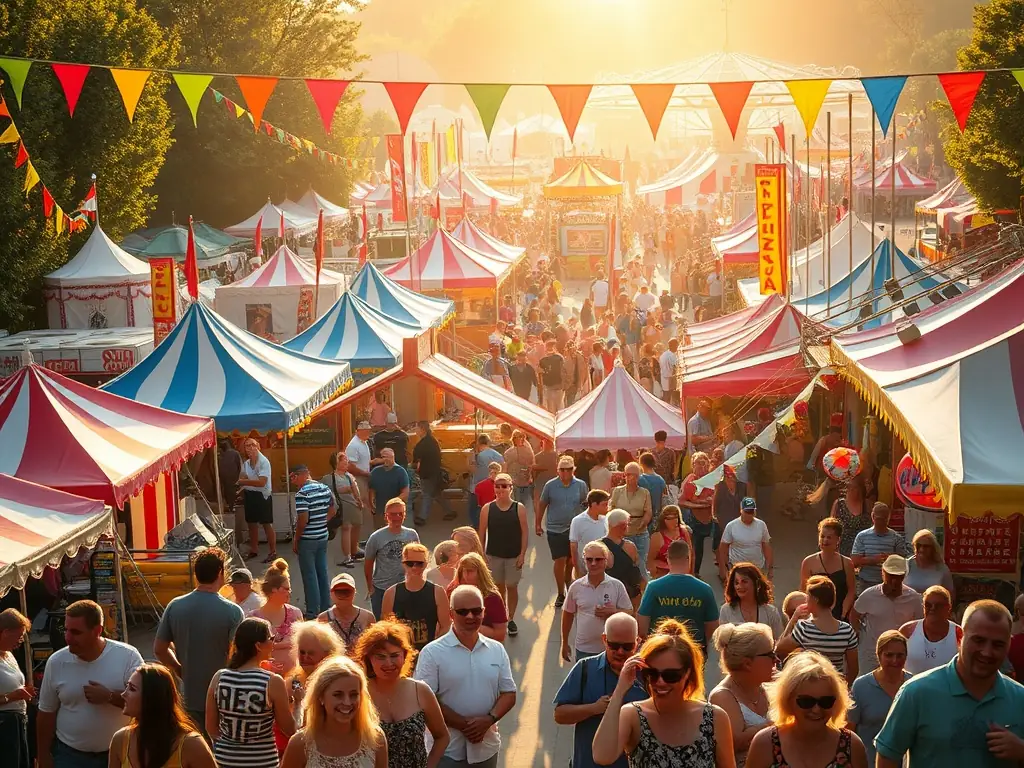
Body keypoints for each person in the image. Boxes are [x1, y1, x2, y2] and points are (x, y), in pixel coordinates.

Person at [875, 600, 1024, 768]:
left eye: (997, 644)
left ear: (1009, 644)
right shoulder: (917, 693)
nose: (987, 652)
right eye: (978, 640)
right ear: (960, 638)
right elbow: (888, 757)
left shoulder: (1019, 699)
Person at [592, 618, 736, 768]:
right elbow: (602, 756)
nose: (660, 682)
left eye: (670, 675)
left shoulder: (714, 718)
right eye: (652, 674)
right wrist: (620, 689)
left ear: (688, 673)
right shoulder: (633, 715)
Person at [414, 585, 517, 768]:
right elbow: (425, 701)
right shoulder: (431, 653)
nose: (470, 616)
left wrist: (489, 720)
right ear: (451, 614)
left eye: (476, 611)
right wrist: (466, 726)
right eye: (463, 612)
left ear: (483, 612)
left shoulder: (497, 650)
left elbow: (509, 693)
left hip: (486, 750)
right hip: (446, 752)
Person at [37, 600, 144, 768]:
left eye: (76, 632)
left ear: (97, 631)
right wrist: (43, 755)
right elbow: (46, 713)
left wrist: (110, 697)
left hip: (119, 755)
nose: (68, 638)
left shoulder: (128, 657)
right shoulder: (56, 662)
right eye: (66, 630)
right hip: (69, 757)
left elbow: (146, 705)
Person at [154, 548, 244, 729]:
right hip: (224, 696)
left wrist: (179, 669)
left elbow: (160, 649)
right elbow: (239, 654)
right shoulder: (233, 612)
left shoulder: (175, 606)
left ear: (196, 575)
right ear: (220, 573)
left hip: (189, 696)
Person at [744, 650, 867, 768]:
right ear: (787, 700)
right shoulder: (765, 744)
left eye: (826, 701)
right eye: (806, 702)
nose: (816, 709)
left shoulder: (852, 746)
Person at [554, 614, 646, 768]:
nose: (620, 652)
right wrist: (593, 708)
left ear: (637, 642)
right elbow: (560, 715)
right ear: (604, 639)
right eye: (614, 645)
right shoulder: (584, 669)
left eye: (627, 646)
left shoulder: (648, 675)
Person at [355, 620, 449, 768]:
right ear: (369, 659)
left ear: (404, 656)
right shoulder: (359, 694)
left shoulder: (420, 691)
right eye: (380, 657)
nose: (388, 663)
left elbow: (442, 736)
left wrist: (428, 766)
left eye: (394, 655)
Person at [206, 617, 295, 767]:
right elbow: (289, 729)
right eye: (271, 638)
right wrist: (295, 704)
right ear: (258, 646)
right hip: (263, 762)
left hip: (224, 761)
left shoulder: (219, 677)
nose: (274, 643)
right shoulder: (272, 681)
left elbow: (211, 728)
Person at [281, 655, 387, 768]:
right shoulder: (300, 744)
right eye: (338, 695)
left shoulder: (375, 738)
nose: (347, 702)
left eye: (353, 695)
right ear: (321, 697)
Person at [110, 663, 215, 768]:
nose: (123, 694)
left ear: (153, 698)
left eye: (132, 689)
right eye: (127, 687)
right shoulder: (120, 740)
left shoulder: (191, 745)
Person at [709, 623, 774, 768]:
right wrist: (775, 725)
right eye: (770, 655)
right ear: (747, 663)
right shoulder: (722, 696)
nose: (776, 659)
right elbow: (735, 743)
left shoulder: (768, 687)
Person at [638, 540, 718, 652]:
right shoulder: (704, 589)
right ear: (688, 558)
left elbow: (642, 624)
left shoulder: (653, 587)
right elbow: (712, 627)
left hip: (660, 649)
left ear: (668, 559)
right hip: (692, 651)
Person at [561, 541, 635, 663]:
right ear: (584, 561)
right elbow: (567, 614)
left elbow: (629, 611)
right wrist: (564, 643)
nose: (593, 563)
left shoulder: (616, 585)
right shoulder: (576, 587)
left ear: (606, 561)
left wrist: (614, 612)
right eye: (589, 559)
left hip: (610, 649)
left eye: (598, 559)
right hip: (584, 649)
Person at [848, 630, 911, 768]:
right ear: (878, 655)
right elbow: (849, 730)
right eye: (889, 655)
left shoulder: (913, 685)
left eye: (900, 655)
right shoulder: (861, 686)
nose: (895, 661)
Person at [849, 555, 923, 672]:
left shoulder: (914, 598)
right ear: (883, 574)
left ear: (904, 576)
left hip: (899, 655)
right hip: (871, 653)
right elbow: (854, 614)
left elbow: (920, 623)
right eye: (890, 576)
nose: (894, 581)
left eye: (898, 577)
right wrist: (857, 634)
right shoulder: (869, 595)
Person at [776, 575, 859, 679]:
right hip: (833, 683)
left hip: (809, 682)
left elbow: (779, 649)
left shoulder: (804, 628)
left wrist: (793, 619)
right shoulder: (847, 630)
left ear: (814, 600)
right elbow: (854, 669)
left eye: (807, 598)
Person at [478, 473, 528, 637]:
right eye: (497, 486)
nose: (500, 489)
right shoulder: (487, 509)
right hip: (494, 555)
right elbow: (481, 533)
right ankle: (502, 617)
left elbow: (525, 532)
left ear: (510, 488)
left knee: (512, 586)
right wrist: (482, 554)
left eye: (504, 486)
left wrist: (522, 554)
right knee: (497, 588)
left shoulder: (519, 508)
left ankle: (511, 618)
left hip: (513, 556)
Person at [538, 455, 589, 609]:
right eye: (562, 469)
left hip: (574, 528)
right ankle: (561, 593)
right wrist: (537, 523)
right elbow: (542, 503)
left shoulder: (580, 485)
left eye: (568, 469)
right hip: (555, 528)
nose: (565, 472)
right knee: (559, 560)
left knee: (571, 561)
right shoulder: (550, 485)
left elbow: (585, 504)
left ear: (573, 469)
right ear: (557, 470)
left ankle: (570, 588)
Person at [381, 543, 450, 650]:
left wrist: (433, 649)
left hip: (428, 651)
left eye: (419, 564)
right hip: (401, 653)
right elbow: (386, 628)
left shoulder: (438, 592)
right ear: (403, 564)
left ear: (426, 564)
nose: (414, 567)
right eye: (410, 563)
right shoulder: (391, 593)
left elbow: (445, 626)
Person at [290, 464, 336, 619]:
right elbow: (333, 510)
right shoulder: (325, 488)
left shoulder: (302, 494)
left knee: (309, 575)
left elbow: (303, 520)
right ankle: (325, 607)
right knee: (322, 571)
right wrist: (322, 522)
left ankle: (312, 611)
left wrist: (296, 539)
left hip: (307, 539)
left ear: (301, 475)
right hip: (322, 536)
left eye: (293, 477)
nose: (292, 481)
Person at [364, 499, 421, 620]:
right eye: (393, 514)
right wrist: (370, 588)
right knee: (382, 624)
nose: (397, 517)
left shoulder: (412, 535)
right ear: (386, 516)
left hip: (405, 587)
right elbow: (368, 563)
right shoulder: (376, 537)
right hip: (381, 589)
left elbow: (418, 559)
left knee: (405, 623)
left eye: (401, 513)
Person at [249, 559, 304, 673]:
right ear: (274, 589)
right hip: (262, 678)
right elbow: (248, 653)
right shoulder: (253, 618)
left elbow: (303, 647)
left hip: (292, 678)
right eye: (286, 589)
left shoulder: (296, 614)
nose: (290, 592)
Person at [799, 517, 856, 620]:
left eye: (829, 537)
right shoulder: (808, 562)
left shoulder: (847, 563)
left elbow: (851, 590)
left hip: (840, 614)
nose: (825, 540)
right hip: (815, 615)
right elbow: (803, 592)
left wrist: (843, 613)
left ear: (838, 539)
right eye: (822, 536)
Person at [899, 584, 962, 674]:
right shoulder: (907, 631)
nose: (933, 608)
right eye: (928, 605)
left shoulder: (959, 634)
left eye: (938, 605)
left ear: (949, 607)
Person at [850, 502, 911, 594]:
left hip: (890, 584)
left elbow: (903, 562)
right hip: (866, 582)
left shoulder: (896, 538)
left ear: (889, 518)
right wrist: (874, 560)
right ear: (873, 517)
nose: (881, 522)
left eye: (884, 519)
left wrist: (890, 558)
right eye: (879, 519)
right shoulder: (862, 536)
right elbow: (854, 561)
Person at [447, 554, 509, 643]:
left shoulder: (492, 598)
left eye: (470, 571)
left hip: (484, 644)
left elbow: (500, 634)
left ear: (480, 573)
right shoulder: (452, 590)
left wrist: (471, 627)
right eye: (462, 571)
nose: (465, 575)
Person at [0, 608, 33, 768]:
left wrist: (23, 692)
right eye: (19, 636)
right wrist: (12, 696)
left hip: (17, 723)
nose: (20, 640)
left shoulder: (8, 655)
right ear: (6, 632)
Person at [719, 564, 785, 642]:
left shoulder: (771, 611)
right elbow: (722, 643)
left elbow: (779, 641)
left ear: (757, 584)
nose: (739, 586)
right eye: (736, 583)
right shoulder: (726, 610)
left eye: (744, 581)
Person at [321, 450, 364, 567]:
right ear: (336, 463)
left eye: (346, 459)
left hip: (354, 505)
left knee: (356, 527)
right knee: (346, 528)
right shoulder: (329, 478)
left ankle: (353, 551)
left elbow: (355, 491)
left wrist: (359, 501)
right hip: (342, 506)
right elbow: (327, 492)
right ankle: (347, 557)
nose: (346, 461)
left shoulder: (349, 476)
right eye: (343, 459)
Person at [610, 463, 653, 580]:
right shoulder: (617, 491)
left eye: (635, 475)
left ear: (639, 477)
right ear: (624, 475)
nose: (631, 478)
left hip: (640, 534)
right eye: (628, 475)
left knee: (641, 566)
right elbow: (611, 510)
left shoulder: (644, 492)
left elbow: (648, 511)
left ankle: (644, 589)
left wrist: (644, 522)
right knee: (622, 566)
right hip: (622, 535)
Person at [238, 437, 276, 562]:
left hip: (263, 495)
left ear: (258, 446)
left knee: (266, 524)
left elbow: (262, 482)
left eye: (253, 445)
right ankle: (254, 550)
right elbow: (243, 477)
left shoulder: (264, 462)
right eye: (247, 446)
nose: (250, 448)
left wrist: (243, 482)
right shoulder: (246, 463)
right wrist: (241, 485)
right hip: (250, 494)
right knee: (251, 523)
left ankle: (272, 552)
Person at [718, 498, 773, 583]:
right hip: (738, 568)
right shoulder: (731, 526)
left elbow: (766, 547)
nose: (749, 515)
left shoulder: (761, 525)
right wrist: (723, 568)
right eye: (747, 512)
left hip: (757, 567)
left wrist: (770, 568)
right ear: (741, 510)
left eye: (751, 512)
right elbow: (723, 548)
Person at [680, 452, 717, 578]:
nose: (701, 466)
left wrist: (710, 501)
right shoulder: (690, 480)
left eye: (704, 463)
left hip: (712, 518)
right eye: (698, 463)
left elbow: (716, 496)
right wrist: (699, 504)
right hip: (695, 518)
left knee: (717, 545)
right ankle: (694, 573)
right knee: (696, 547)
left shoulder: (712, 479)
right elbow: (681, 501)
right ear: (692, 465)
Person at [602, 509, 645, 613]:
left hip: (608, 594)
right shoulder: (629, 547)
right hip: (626, 594)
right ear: (622, 526)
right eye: (627, 524)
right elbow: (637, 571)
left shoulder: (598, 546)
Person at [318, 573, 375, 651]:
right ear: (331, 594)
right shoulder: (323, 619)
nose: (343, 595)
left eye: (347, 591)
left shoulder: (368, 618)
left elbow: (373, 647)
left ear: (354, 592)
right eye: (339, 591)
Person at [412, 421, 454, 526]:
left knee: (427, 494)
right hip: (435, 472)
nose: (415, 430)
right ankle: (450, 511)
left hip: (427, 473)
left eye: (417, 428)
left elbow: (417, 460)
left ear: (422, 429)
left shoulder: (422, 444)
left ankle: (422, 517)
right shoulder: (433, 441)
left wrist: (415, 468)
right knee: (436, 494)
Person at [346, 421, 375, 561]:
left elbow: (364, 462)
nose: (369, 432)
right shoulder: (353, 445)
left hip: (364, 478)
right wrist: (365, 474)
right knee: (360, 509)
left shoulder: (364, 443)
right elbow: (350, 467)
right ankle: (354, 546)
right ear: (359, 431)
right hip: (358, 479)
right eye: (366, 430)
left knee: (366, 509)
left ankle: (360, 541)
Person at [569, 489, 611, 577]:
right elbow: (573, 546)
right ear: (594, 504)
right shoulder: (578, 521)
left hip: (603, 567)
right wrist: (577, 569)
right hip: (585, 568)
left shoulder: (605, 520)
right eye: (604, 504)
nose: (607, 507)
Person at [904, 528, 955, 599]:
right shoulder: (906, 565)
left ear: (933, 548)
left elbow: (950, 595)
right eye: (919, 545)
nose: (921, 549)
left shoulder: (942, 569)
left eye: (926, 546)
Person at [468, 435, 504, 529]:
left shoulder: (478, 456)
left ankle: (477, 525)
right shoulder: (496, 454)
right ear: (488, 442)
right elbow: (504, 466)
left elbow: (472, 469)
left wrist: (470, 459)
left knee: (475, 507)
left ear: (478, 443)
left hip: (478, 485)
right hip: (493, 485)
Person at [830, 474, 870, 557]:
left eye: (855, 487)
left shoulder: (867, 505)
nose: (851, 489)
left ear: (860, 489)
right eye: (849, 486)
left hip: (862, 551)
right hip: (841, 550)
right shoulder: (839, 504)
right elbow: (830, 527)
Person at [647, 505, 693, 578]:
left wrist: (689, 573)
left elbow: (690, 553)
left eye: (676, 517)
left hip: (683, 572)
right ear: (663, 520)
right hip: (663, 574)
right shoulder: (657, 537)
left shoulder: (684, 531)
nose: (674, 521)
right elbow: (650, 561)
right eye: (669, 519)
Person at [369, 449, 410, 525]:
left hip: (395, 511)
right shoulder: (375, 472)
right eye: (383, 457)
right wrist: (371, 503)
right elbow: (372, 490)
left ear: (393, 457)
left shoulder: (401, 472)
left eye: (387, 457)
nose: (385, 459)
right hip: (380, 510)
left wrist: (392, 503)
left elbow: (405, 493)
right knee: (379, 529)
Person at [502, 430, 535, 518]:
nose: (520, 439)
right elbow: (506, 466)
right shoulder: (509, 452)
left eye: (522, 437)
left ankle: (522, 519)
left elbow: (531, 464)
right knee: (516, 503)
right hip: (514, 481)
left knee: (523, 504)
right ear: (514, 439)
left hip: (525, 480)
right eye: (518, 437)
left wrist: (530, 476)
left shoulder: (528, 450)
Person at [713, 464, 746, 539]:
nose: (729, 478)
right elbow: (715, 501)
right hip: (724, 518)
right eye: (727, 476)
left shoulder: (742, 486)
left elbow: (745, 502)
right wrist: (714, 515)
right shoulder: (720, 486)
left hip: (738, 518)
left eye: (731, 476)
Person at [637, 453, 667, 524]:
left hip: (642, 515)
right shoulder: (661, 479)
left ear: (641, 464)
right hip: (657, 515)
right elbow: (664, 496)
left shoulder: (640, 479)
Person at [217, 438, 243, 514]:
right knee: (228, 495)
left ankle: (233, 508)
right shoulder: (220, 455)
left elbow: (240, 467)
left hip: (233, 480)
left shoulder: (234, 453)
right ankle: (231, 508)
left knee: (233, 494)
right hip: (226, 481)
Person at [658, 338, 680, 404]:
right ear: (672, 346)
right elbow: (676, 367)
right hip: (670, 378)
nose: (677, 348)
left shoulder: (663, 355)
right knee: (670, 396)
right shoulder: (672, 355)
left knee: (666, 394)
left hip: (664, 377)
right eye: (676, 346)